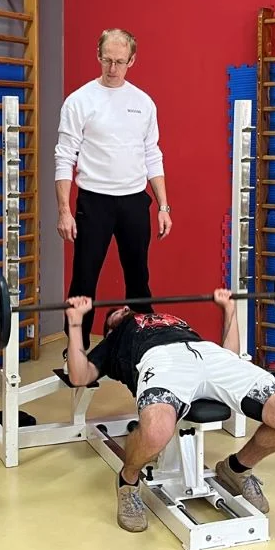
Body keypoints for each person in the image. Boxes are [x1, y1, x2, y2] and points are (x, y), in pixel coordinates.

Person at [63, 288, 275, 533]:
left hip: (208, 353)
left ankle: (237, 468)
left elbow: (230, 355)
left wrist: (229, 310)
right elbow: (79, 376)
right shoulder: (115, 340)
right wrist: (75, 323)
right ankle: (128, 481)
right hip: (159, 361)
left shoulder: (175, 323)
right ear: (109, 329)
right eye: (116, 313)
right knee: (156, 432)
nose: (126, 309)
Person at [54, 28, 172, 348]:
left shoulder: (143, 103)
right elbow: (64, 157)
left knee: (138, 279)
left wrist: (163, 206)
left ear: (132, 60)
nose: (113, 68)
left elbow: (152, 154)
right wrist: (64, 211)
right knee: (84, 280)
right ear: (98, 56)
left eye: (120, 61)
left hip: (134, 201)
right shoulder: (79, 101)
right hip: (95, 202)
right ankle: (76, 350)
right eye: (107, 60)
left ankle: (144, 348)